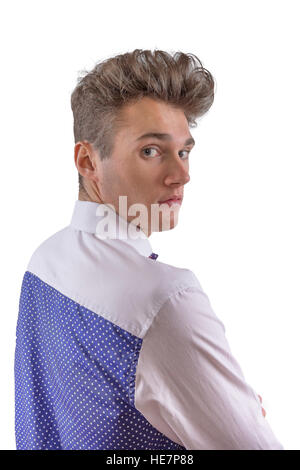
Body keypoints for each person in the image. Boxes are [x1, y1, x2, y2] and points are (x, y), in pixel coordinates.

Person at [14, 49, 284, 450]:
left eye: (184, 151)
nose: (182, 175)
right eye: (151, 151)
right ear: (88, 162)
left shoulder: (44, 259)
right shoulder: (165, 300)